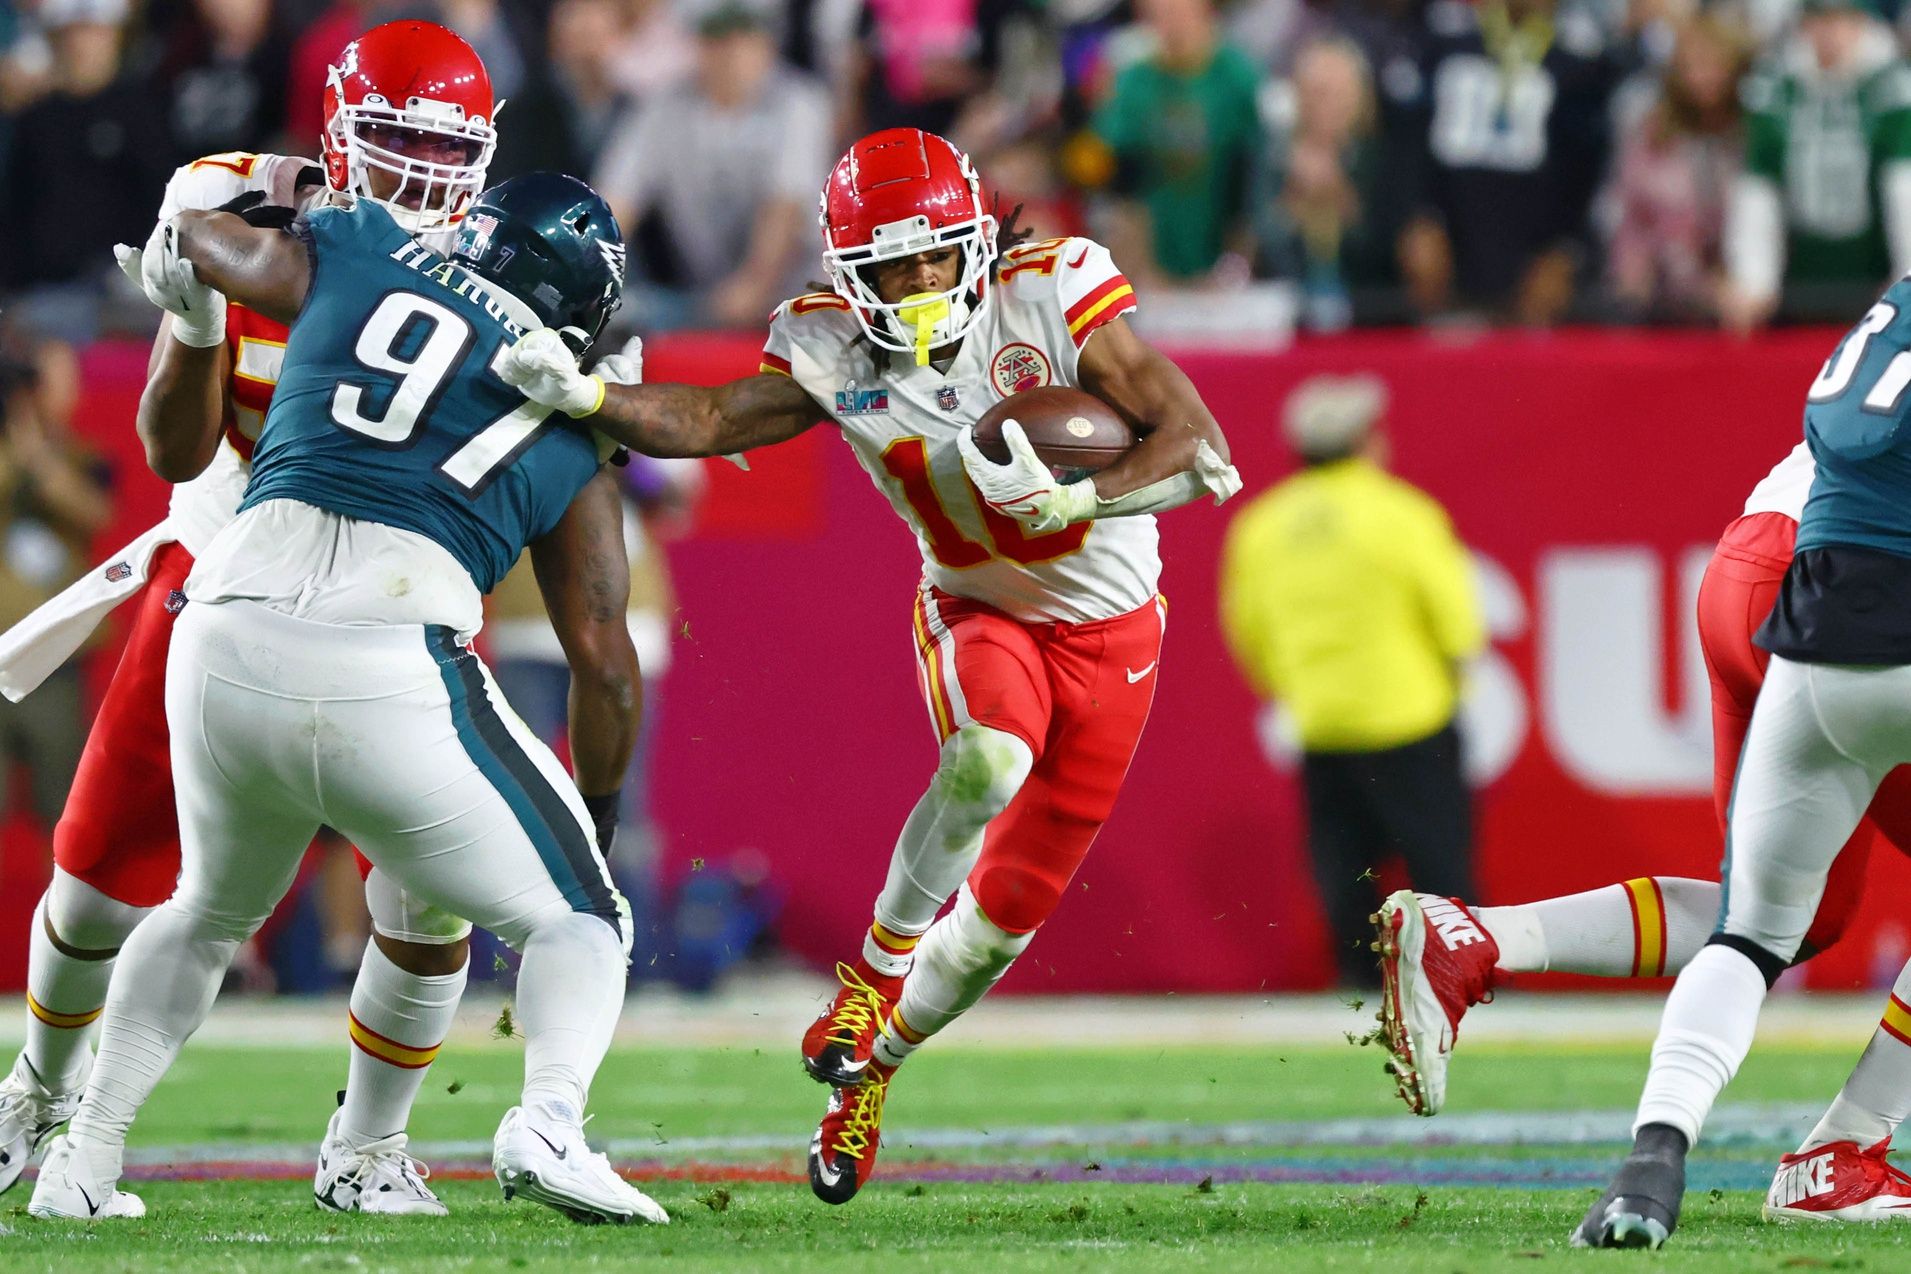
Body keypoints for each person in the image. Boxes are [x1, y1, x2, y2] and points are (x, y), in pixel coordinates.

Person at [493, 126, 1242, 1205]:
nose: (919, 278)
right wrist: (586, 398)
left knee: (994, 931)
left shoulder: (1053, 288)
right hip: (978, 605)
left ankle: (870, 1074)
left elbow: (1197, 441)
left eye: (936, 253)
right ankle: (872, 974)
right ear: (850, 269)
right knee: (985, 761)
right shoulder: (831, 341)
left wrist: (1087, 492)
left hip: (1120, 631)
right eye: (890, 264)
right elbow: (709, 416)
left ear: (973, 239)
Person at [0, 21, 633, 1219]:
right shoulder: (267, 225)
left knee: (419, 903)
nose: (413, 177)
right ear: (338, 135)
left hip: (374, 598)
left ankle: (364, 1144)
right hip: (226, 566)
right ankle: (39, 1090)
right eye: (388, 143)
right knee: (94, 879)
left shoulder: (440, 264)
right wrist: (193, 320)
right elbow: (174, 446)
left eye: (441, 153)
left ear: (483, 163)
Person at [1378, 435, 1911, 1224]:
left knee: (1788, 917)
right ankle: (1841, 1154)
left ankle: (1480, 939)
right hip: (1855, 588)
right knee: (1769, 920)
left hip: (1751, 566)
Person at [1553, 274, 1911, 1246]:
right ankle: (1842, 1149)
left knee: (1752, 932)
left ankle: (1650, 1162)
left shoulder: (1888, 310)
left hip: (1815, 634)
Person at [1219, 374, 1483, 988]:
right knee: (1441, 871)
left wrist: (1297, 687)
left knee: (1346, 878)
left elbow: (1248, 629)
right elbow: (1458, 625)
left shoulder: (1261, 526)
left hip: (1322, 725)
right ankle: (1461, 987)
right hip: (1411, 718)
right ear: (1368, 441)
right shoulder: (1402, 513)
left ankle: (1361, 996)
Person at [1721, 0, 1911, 332]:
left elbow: (1904, 187)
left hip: (1872, 276)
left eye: (1841, 20)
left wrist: (1905, 282)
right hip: (1798, 282)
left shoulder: (1891, 86)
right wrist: (1754, 278)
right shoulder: (1776, 86)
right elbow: (1758, 184)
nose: (1830, 34)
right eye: (1820, 20)